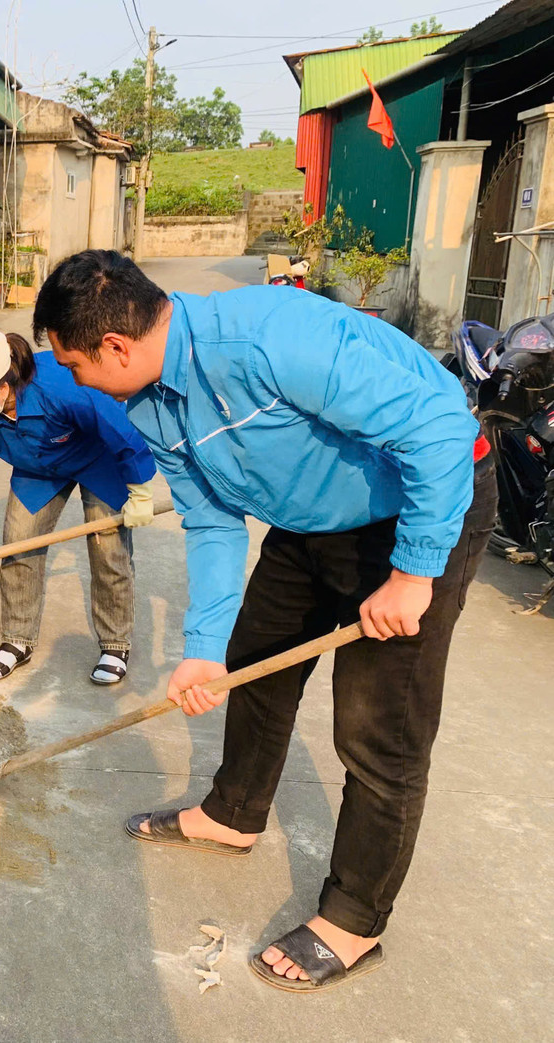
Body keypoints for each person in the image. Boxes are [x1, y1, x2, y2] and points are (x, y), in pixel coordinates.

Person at [33, 250, 495, 993]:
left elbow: (439, 430)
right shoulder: (147, 399)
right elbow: (212, 522)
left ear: (115, 347)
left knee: (378, 729)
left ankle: (354, 919)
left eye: (73, 364)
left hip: (424, 503)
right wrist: (203, 648)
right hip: (312, 516)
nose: (73, 380)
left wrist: (413, 572)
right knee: (255, 662)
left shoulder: (269, 338)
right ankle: (234, 813)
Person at [0, 327, 157, 684]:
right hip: (37, 470)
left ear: (2, 387)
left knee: (108, 548)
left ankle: (114, 643)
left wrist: (139, 488)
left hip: (98, 458)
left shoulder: (62, 384)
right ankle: (17, 640)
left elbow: (118, 429)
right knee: (17, 545)